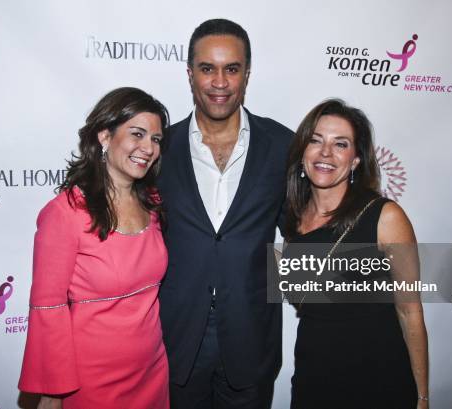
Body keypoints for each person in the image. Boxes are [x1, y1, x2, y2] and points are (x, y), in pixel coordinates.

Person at [157, 19, 294, 409]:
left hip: (251, 339)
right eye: (207, 68)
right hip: (176, 339)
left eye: (231, 69)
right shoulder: (157, 149)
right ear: (190, 74)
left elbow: (306, 231)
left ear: (246, 75)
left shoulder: (282, 145)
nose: (219, 82)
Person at [18, 87, 171, 409]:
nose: (148, 148)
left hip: (152, 372)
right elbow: (48, 308)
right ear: (104, 136)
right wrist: (52, 393)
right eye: (137, 134)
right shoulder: (65, 213)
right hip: (90, 380)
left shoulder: (153, 203)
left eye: (155, 140)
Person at [284, 99, 429, 408]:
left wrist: (422, 396)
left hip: (377, 384)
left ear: (356, 160)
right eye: (316, 140)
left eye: (341, 144)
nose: (325, 153)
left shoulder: (385, 218)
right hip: (312, 382)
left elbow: (410, 311)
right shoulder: (291, 217)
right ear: (303, 151)